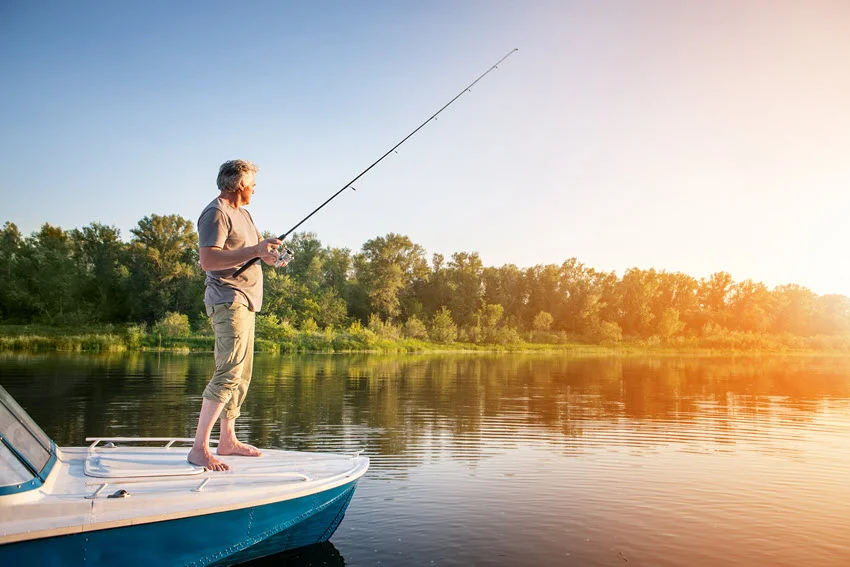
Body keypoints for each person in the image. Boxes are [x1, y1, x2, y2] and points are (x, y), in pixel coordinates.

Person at [187, 159, 284, 471]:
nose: (255, 188)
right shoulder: (215, 212)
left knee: (242, 375)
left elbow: (252, 251)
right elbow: (208, 259)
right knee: (229, 371)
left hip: (246, 302)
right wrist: (256, 250)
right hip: (228, 299)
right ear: (240, 184)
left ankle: (226, 439)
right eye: (252, 182)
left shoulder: (244, 214)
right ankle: (199, 448)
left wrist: (269, 255)